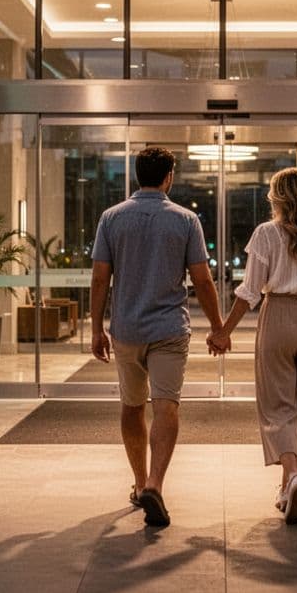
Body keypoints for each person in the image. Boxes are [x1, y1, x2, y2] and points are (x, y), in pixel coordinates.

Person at [90, 146, 223, 528]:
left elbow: (100, 278)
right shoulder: (185, 220)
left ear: (137, 175)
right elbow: (202, 279)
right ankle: (155, 484)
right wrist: (217, 327)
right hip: (168, 329)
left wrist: (96, 328)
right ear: (169, 177)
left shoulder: (111, 218)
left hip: (127, 329)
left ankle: (138, 483)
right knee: (166, 406)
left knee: (132, 406)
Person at [208, 167, 297, 525]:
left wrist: (223, 332)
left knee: (277, 404)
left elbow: (249, 292)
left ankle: (292, 475)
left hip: (278, 316)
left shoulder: (266, 234)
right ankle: (289, 484)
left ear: (279, 197)